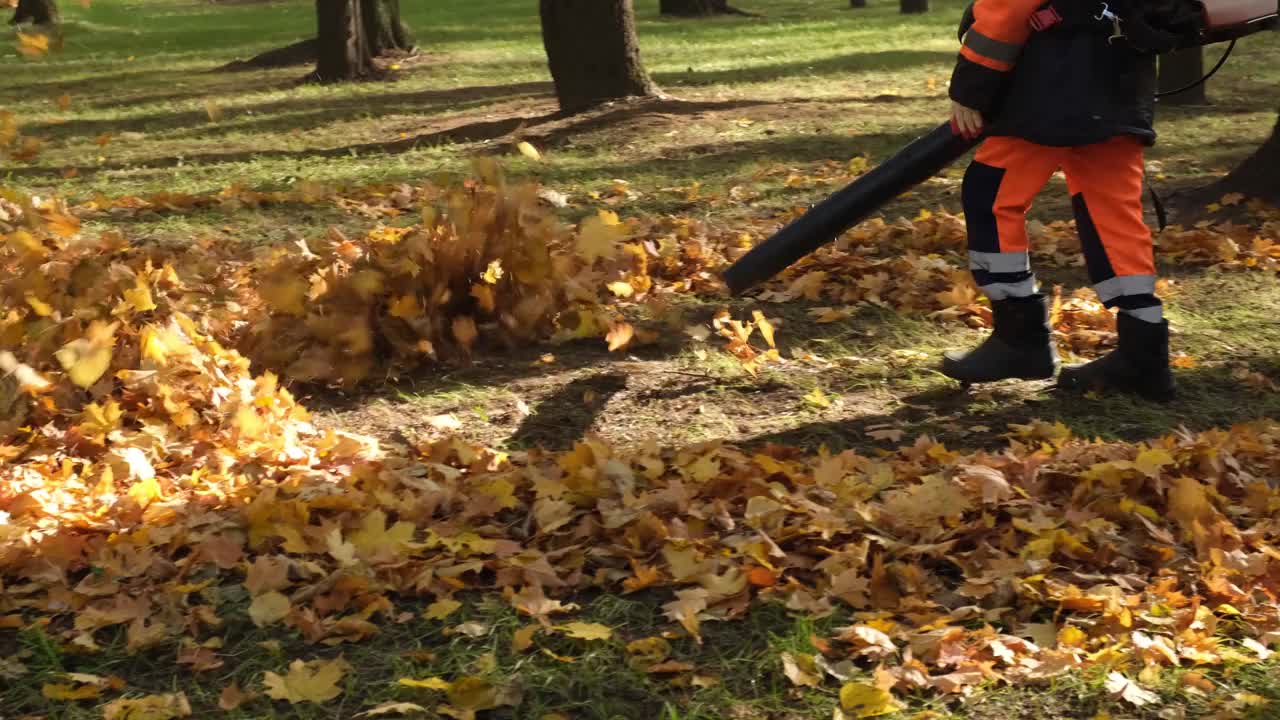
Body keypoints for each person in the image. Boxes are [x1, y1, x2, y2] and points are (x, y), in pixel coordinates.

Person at [940, 0, 1180, 402]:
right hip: (1121, 78)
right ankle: (1145, 356)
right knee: (1113, 213)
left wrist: (970, 87)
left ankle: (1021, 341)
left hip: (1049, 83)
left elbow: (1006, 9)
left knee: (991, 195)